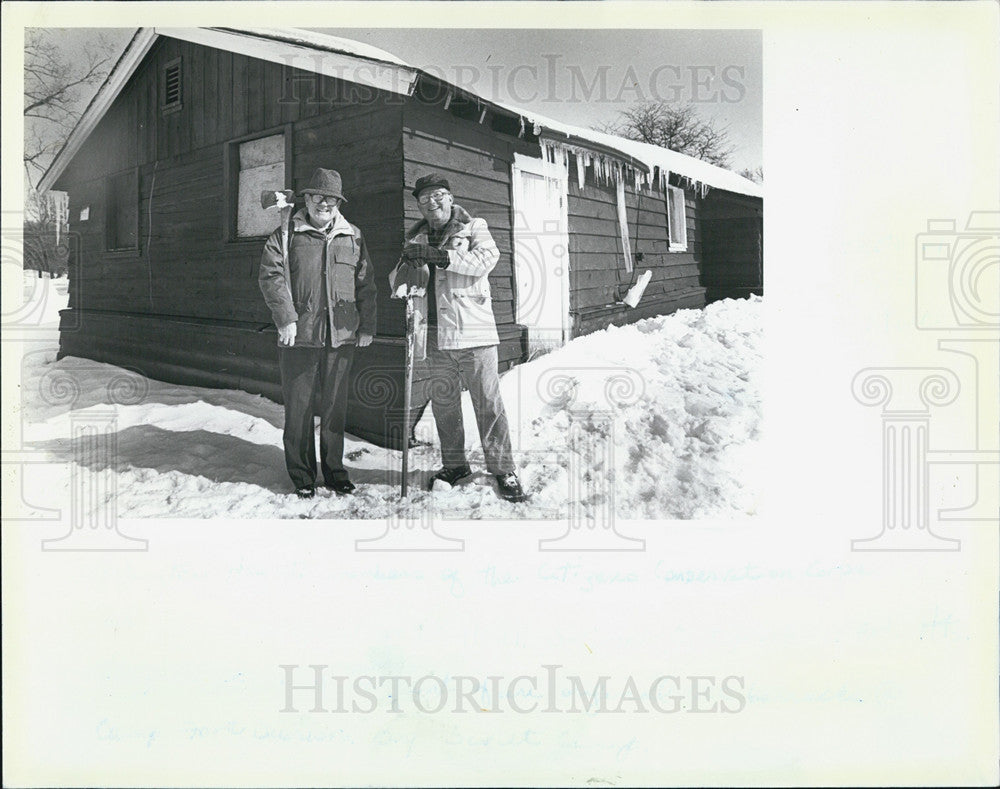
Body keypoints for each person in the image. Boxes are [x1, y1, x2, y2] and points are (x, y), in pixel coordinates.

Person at [390, 173, 526, 502]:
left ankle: (503, 467)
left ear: (450, 198)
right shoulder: (416, 238)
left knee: (488, 404)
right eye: (424, 199)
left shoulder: (473, 226)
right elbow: (396, 282)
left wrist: (442, 257)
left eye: (438, 196)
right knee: (445, 406)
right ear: (419, 206)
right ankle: (454, 464)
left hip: (474, 333)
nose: (431, 203)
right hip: (435, 336)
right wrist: (404, 271)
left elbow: (486, 260)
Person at [259, 168, 376, 498]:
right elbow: (272, 277)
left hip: (342, 335)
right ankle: (302, 475)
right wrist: (285, 318)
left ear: (338, 202)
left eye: (331, 198)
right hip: (300, 336)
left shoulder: (352, 235)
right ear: (306, 198)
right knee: (299, 410)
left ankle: (335, 471)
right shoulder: (287, 234)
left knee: (335, 409)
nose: (323, 203)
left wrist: (367, 325)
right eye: (317, 196)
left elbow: (366, 284)